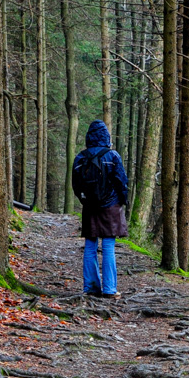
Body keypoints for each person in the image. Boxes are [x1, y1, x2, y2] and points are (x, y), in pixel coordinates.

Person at [71, 120, 130, 298]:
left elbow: (75, 185)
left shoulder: (80, 158)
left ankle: (90, 287)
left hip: (90, 207)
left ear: (89, 136)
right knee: (108, 245)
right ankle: (110, 289)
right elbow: (121, 181)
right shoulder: (112, 156)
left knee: (90, 245)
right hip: (111, 205)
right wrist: (123, 200)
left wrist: (85, 201)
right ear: (106, 136)